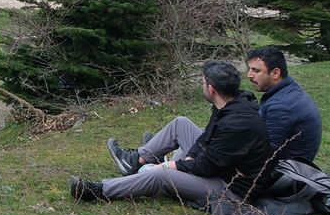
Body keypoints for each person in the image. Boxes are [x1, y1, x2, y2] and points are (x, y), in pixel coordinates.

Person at [72, 60, 272, 205]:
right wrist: (191, 154)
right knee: (181, 123)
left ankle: (100, 190)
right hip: (220, 168)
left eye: (203, 83)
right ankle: (136, 161)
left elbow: (206, 167)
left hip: (230, 188)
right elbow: (205, 137)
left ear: (211, 89)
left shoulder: (236, 124)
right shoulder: (232, 104)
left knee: (160, 176)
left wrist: (168, 166)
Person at [245, 46, 322, 164]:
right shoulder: (288, 91)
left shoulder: (281, 106)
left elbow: (267, 154)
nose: (249, 75)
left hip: (282, 174)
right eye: (250, 69)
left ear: (275, 73)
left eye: (256, 71)